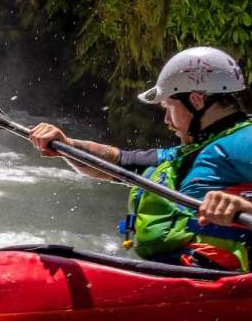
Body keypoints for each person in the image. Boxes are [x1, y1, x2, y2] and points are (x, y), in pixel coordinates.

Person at [28, 46, 252, 270]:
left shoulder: (244, 141)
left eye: (169, 108)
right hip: (175, 278)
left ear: (196, 100)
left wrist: (244, 206)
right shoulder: (188, 153)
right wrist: (67, 145)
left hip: (217, 287)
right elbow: (116, 161)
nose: (166, 120)